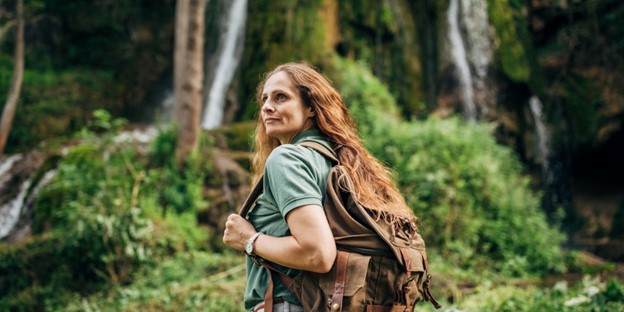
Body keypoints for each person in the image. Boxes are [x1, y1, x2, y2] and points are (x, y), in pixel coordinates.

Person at [222, 62, 415, 312]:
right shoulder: (341, 160)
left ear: (311, 107)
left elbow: (318, 254)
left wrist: (249, 239)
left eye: (281, 97)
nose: (268, 107)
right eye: (264, 99)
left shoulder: (287, 159)